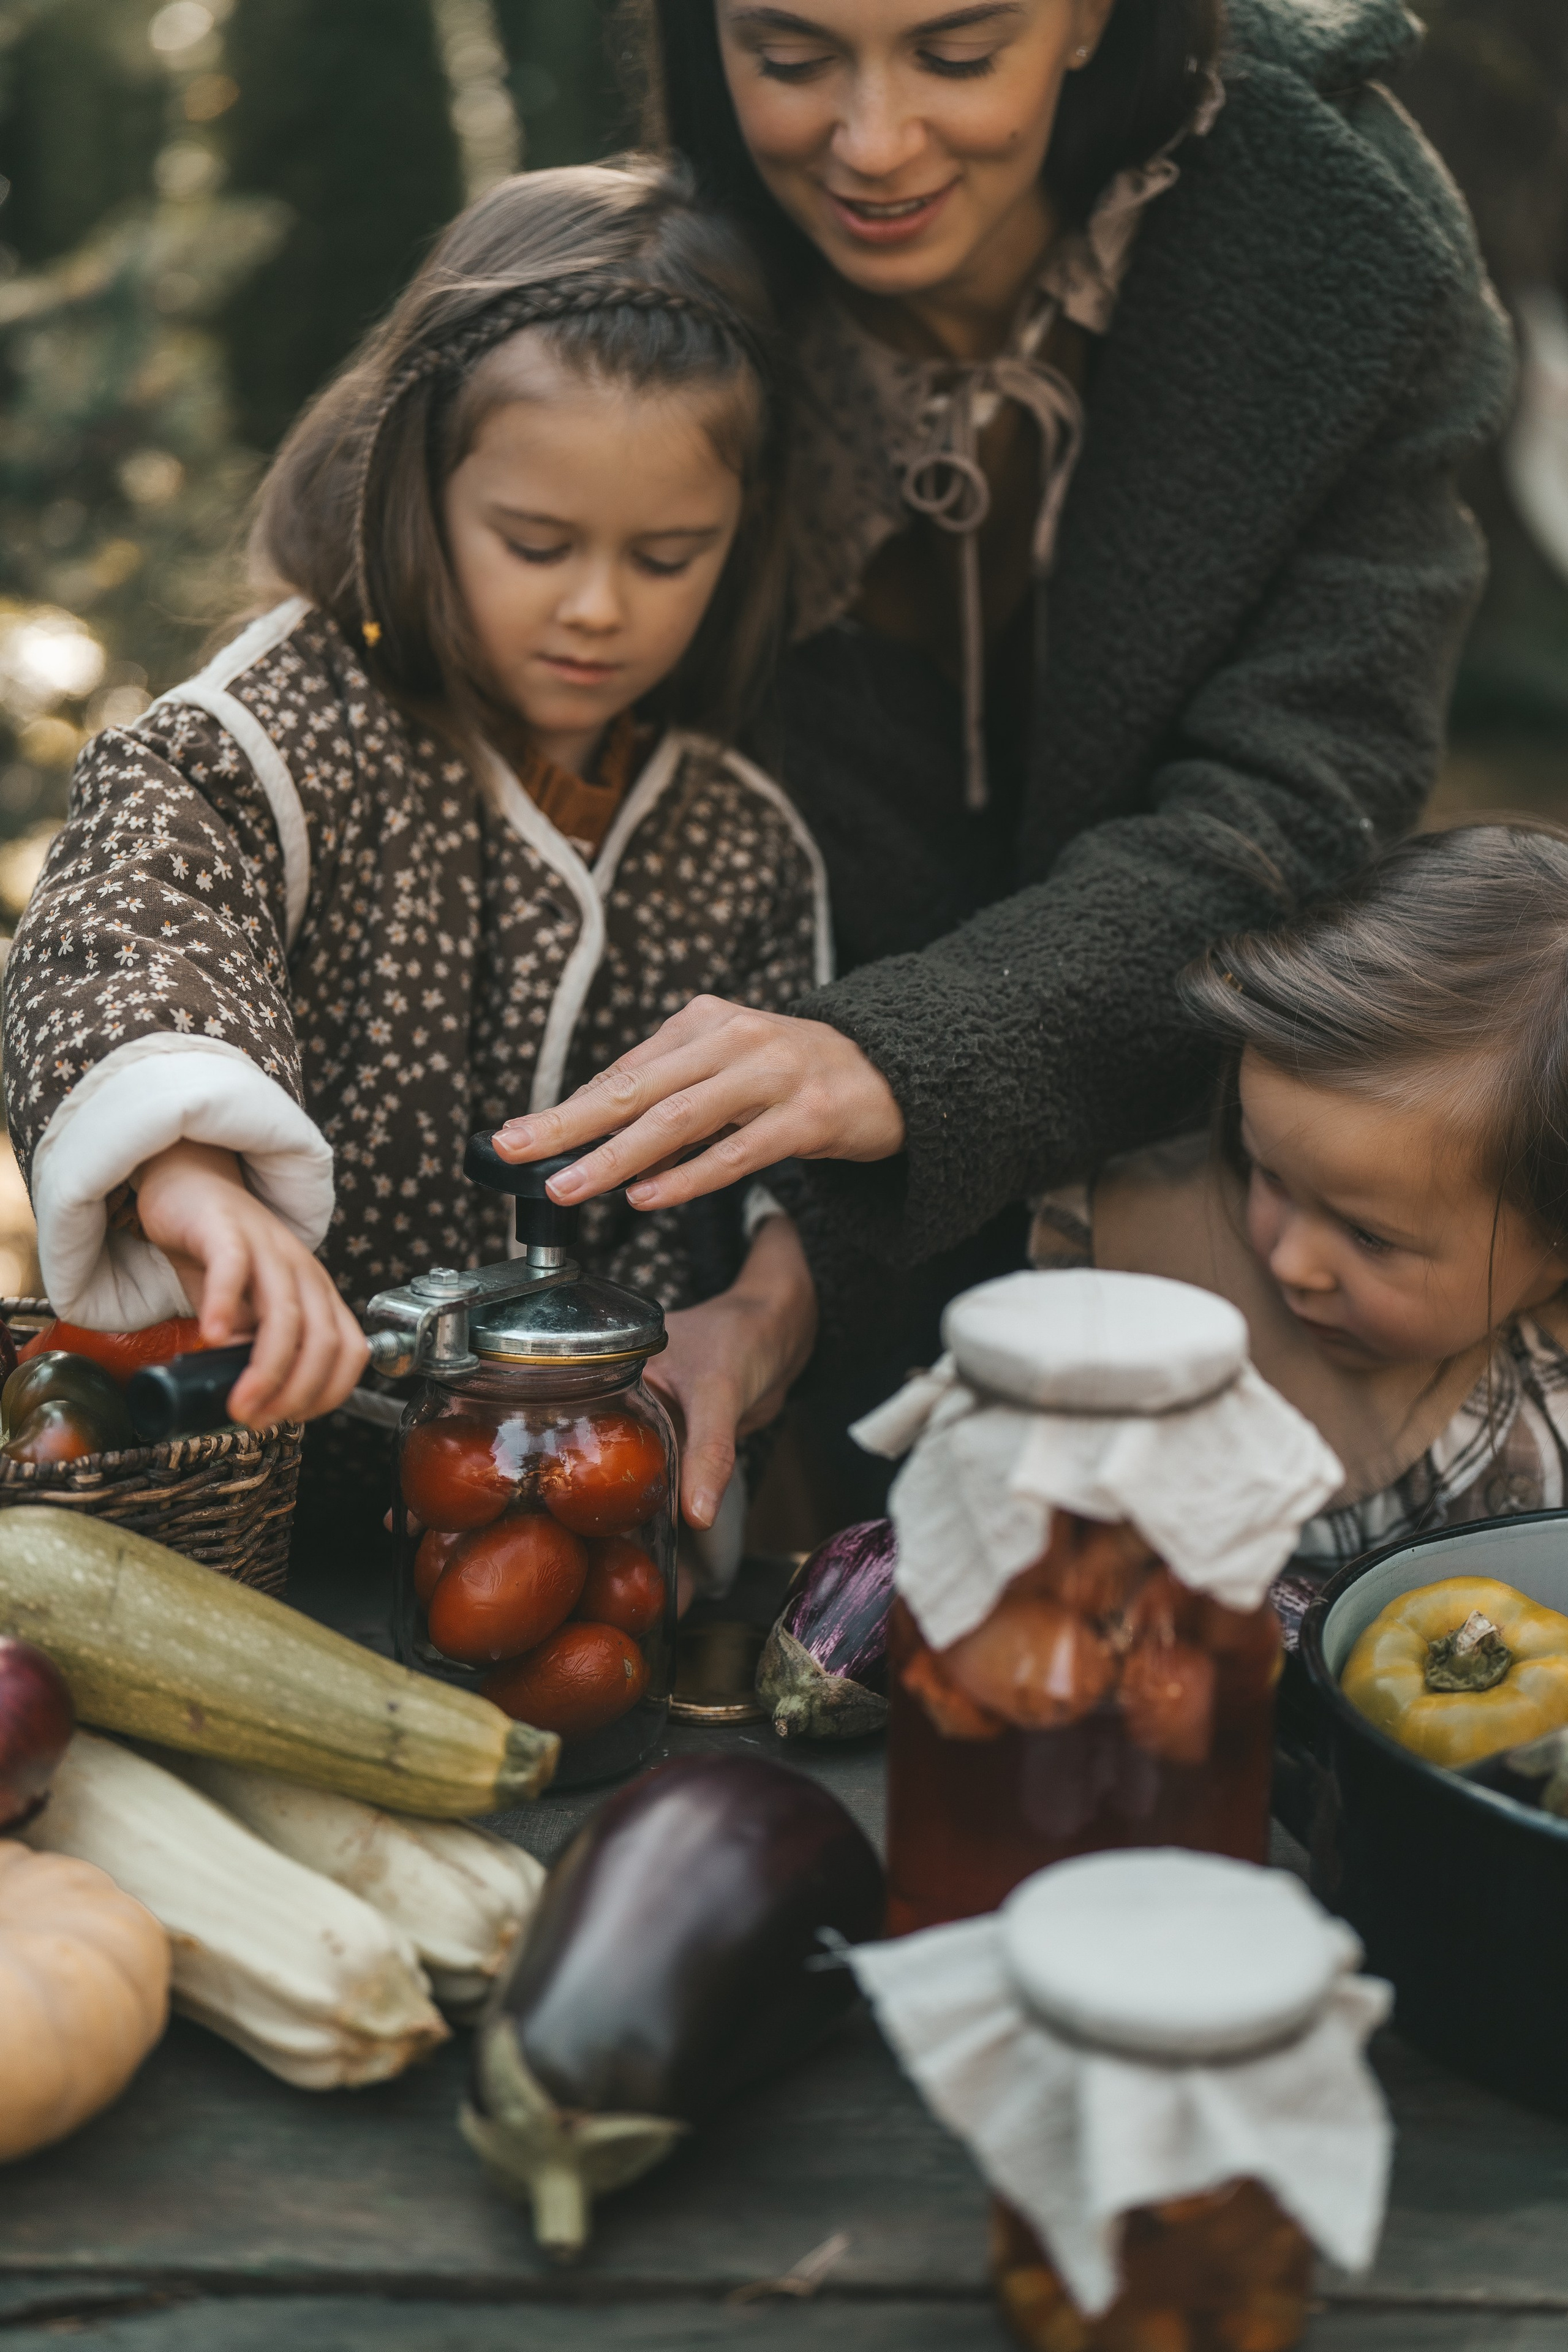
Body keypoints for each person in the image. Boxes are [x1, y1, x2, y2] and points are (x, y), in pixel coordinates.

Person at [490, 0, 1518, 1537]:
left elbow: (1288, 814)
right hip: (775, 1201)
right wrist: (785, 1275)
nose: (872, 143)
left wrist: (914, 1052)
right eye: (788, 58)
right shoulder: (649, 276)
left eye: (957, 55)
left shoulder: (1347, 245)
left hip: (1178, 1182)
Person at [1, 159, 826, 1581]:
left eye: (667, 556)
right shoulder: (286, 731)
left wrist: (758, 1315)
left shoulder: (743, 841)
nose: (596, 607)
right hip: (244, 1522)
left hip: (577, 1554)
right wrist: (187, 1177)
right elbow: (131, 920)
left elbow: (796, 1182)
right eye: (534, 542)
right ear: (414, 485)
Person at [1028, 823, 1568, 1628]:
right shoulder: (1126, 1257)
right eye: (1268, 1173)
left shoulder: (1547, 1422)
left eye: (1370, 1237)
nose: (1291, 1262)